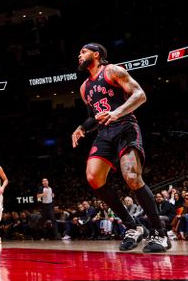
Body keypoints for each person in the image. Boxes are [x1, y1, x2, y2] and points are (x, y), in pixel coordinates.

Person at [71, 43, 170, 253]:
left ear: (96, 54)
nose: (79, 56)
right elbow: (93, 117)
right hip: (104, 133)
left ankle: (160, 233)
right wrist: (81, 128)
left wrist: (118, 112)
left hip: (125, 126)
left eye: (83, 52)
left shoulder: (113, 70)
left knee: (132, 177)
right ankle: (132, 227)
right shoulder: (84, 87)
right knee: (93, 178)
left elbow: (139, 95)